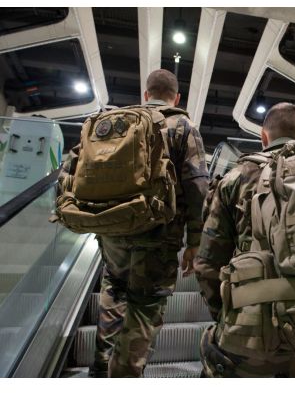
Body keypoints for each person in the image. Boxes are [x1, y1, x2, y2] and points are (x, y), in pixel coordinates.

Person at [61, 69, 209, 377]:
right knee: (144, 306)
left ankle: (102, 365)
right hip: (158, 234)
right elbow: (197, 187)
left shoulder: (115, 123)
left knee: (114, 290)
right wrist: (196, 242)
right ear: (176, 97)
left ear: (146, 94)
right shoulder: (181, 124)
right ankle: (124, 375)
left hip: (112, 231)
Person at [194, 102, 295, 377]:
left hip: (254, 343)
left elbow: (207, 265)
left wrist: (228, 317)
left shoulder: (236, 178)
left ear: (263, 138)